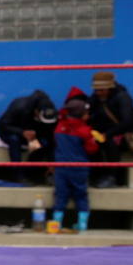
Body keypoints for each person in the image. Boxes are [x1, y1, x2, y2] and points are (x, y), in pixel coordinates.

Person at [51, 88, 101, 232]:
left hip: (61, 167)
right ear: (83, 115)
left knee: (60, 195)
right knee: (81, 195)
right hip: (79, 168)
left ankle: (56, 223)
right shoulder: (85, 131)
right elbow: (92, 149)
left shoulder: (60, 127)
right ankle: (82, 224)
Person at [88, 71, 133, 188]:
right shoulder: (95, 98)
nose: (98, 93)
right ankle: (96, 175)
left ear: (110, 88)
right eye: (96, 90)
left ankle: (112, 176)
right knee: (90, 142)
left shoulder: (122, 97)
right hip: (105, 132)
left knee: (111, 144)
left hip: (126, 133)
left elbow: (128, 122)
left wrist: (108, 134)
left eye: (102, 90)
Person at [0, 89, 57, 184]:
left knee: (42, 143)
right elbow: (3, 124)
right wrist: (22, 132)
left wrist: (52, 162)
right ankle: (17, 174)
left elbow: (50, 137)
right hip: (13, 134)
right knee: (14, 139)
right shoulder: (19, 106)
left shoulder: (50, 113)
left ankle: (31, 174)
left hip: (33, 138)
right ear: (36, 111)